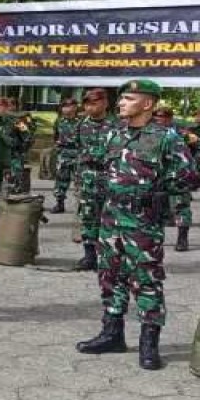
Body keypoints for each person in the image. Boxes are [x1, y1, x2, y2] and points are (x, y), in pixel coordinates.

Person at [76, 80, 198, 368]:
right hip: (110, 217)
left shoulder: (166, 137)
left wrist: (155, 189)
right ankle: (112, 333)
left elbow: (190, 177)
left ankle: (149, 342)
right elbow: (103, 168)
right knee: (110, 275)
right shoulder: (113, 134)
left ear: (147, 104)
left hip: (142, 221)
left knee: (146, 279)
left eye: (129, 98)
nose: (121, 103)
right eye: (121, 99)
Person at [74, 88, 114, 270]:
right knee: (88, 217)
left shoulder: (117, 125)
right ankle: (89, 257)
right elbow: (77, 149)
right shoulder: (81, 125)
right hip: (88, 179)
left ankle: (108, 257)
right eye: (87, 104)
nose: (90, 107)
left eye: (94, 103)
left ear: (105, 103)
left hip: (110, 179)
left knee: (110, 219)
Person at [152, 106, 198, 252]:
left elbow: (191, 153)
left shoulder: (179, 134)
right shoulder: (151, 134)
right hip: (158, 178)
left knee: (181, 208)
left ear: (170, 118)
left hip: (177, 177)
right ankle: (156, 239)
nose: (159, 119)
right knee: (156, 209)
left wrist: (186, 175)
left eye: (162, 117)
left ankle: (182, 239)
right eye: (157, 117)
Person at [50, 98, 81, 214]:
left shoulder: (81, 121)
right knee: (61, 180)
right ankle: (59, 203)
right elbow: (56, 136)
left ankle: (81, 205)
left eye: (70, 106)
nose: (67, 108)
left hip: (78, 154)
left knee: (79, 181)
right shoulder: (59, 121)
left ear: (75, 107)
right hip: (63, 154)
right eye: (64, 106)